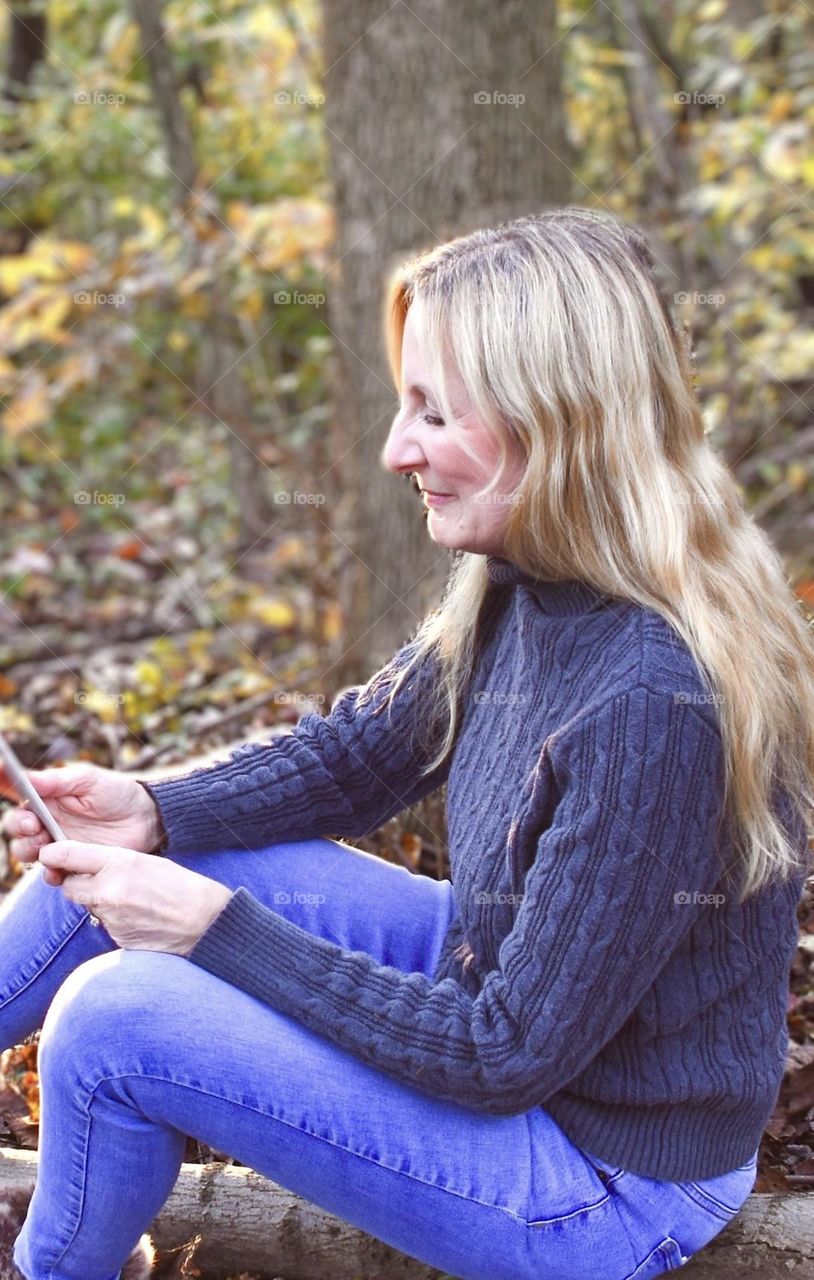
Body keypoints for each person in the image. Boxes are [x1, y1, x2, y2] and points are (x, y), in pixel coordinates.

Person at [1, 206, 812, 1280]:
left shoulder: (652, 700)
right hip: (527, 1024)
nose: (397, 448)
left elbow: (501, 1050)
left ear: (554, 417)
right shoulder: (530, 580)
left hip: (604, 1178)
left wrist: (215, 931)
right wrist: (153, 806)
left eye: (433, 411)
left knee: (117, 1019)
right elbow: (359, 755)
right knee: (117, 866)